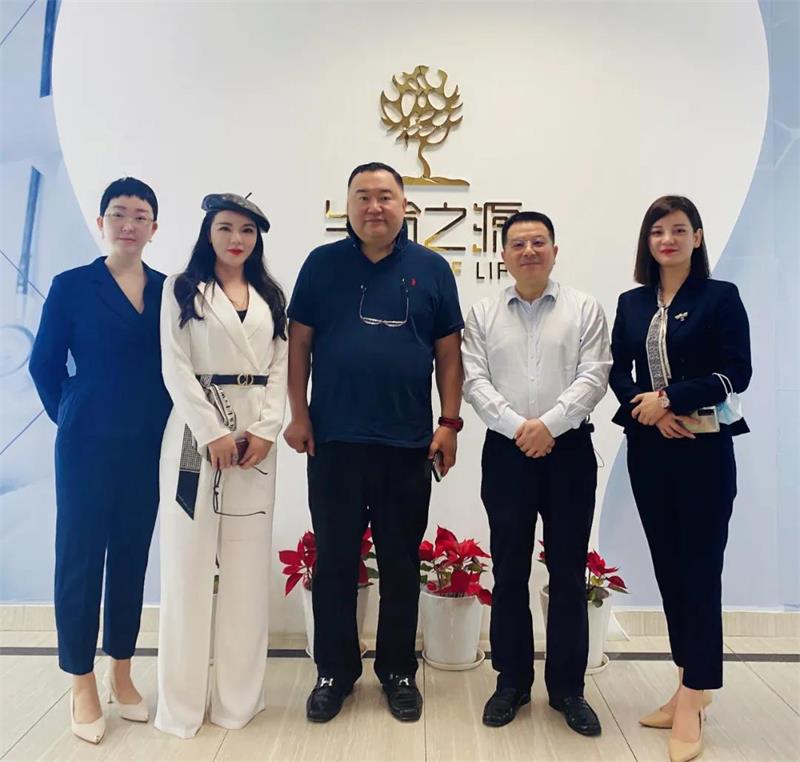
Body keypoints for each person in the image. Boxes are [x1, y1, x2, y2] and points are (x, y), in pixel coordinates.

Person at [284, 161, 463, 723]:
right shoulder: (321, 265)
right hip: (334, 442)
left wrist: (449, 422)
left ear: (405, 204)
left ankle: (398, 672)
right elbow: (299, 344)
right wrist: (298, 414)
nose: (374, 206)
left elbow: (448, 353)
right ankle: (334, 672)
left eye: (385, 196)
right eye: (362, 196)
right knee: (336, 562)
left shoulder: (432, 269)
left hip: (407, 445)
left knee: (402, 564)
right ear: (348, 206)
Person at [28, 177, 171, 744]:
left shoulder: (169, 291)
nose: (128, 224)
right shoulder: (73, 286)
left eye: (140, 216)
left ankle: (122, 670)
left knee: (131, 556)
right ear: (101, 222)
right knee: (80, 560)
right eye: (118, 213)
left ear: (154, 227)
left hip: (147, 444)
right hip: (85, 444)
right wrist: (72, 413)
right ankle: (81, 680)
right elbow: (44, 364)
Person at [609, 195, 751, 762]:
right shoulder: (633, 302)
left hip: (704, 451)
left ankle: (695, 696)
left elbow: (736, 372)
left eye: (677, 230)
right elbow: (619, 371)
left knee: (700, 570)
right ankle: (686, 680)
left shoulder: (720, 297)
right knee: (669, 568)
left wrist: (670, 398)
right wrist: (649, 411)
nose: (666, 240)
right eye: (657, 232)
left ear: (697, 236)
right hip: (650, 449)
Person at [462, 210, 611, 736]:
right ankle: (512, 682)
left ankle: (568, 689)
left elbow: (595, 375)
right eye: (518, 244)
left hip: (569, 452)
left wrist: (549, 425)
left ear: (554, 250)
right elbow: (473, 379)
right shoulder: (483, 313)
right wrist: (517, 427)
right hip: (506, 454)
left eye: (538, 242)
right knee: (509, 570)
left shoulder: (584, 308)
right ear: (503, 254)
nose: (529, 251)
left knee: (568, 573)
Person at [154, 193, 288, 739]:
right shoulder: (182, 288)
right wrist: (210, 431)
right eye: (226, 228)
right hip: (195, 438)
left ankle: (239, 701)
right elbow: (175, 365)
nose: (237, 239)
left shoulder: (271, 295)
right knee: (186, 569)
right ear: (208, 232)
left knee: (246, 572)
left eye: (247, 231)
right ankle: (181, 707)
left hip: (255, 443)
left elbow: (281, 367)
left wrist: (267, 429)